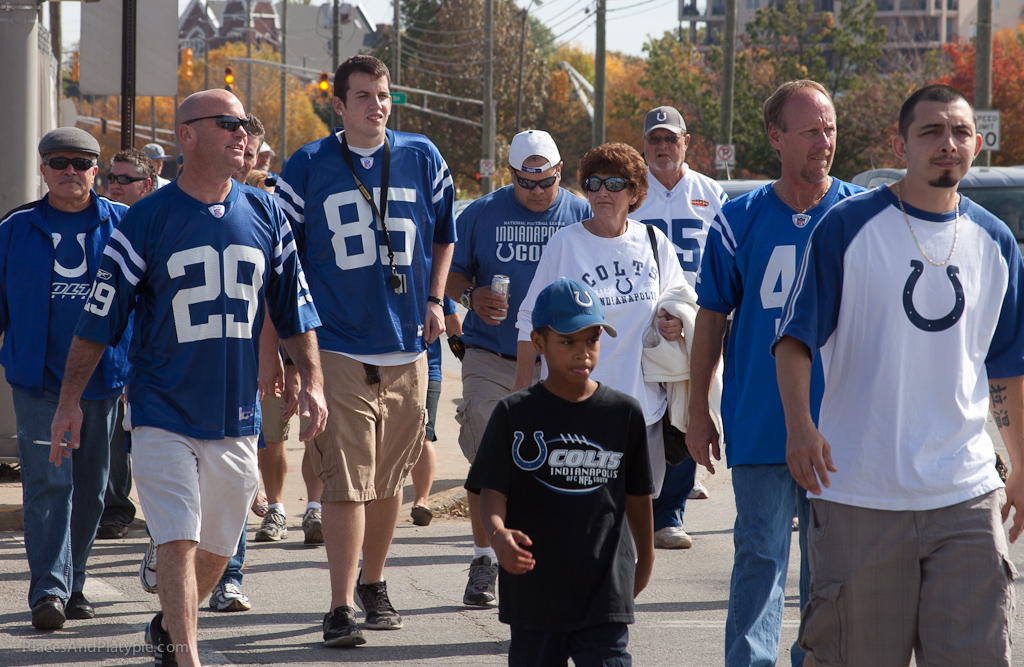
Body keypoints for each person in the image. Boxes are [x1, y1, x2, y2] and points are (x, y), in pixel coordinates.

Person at [49, 89, 327, 667]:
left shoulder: (267, 213)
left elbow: (295, 309)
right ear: (188, 135)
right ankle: (185, 655)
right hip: (161, 406)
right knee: (177, 538)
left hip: (235, 415)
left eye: (246, 123)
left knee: (218, 550)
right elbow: (99, 318)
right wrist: (69, 401)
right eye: (228, 123)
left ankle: (167, 622)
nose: (242, 133)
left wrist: (315, 381)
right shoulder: (147, 218)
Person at [774, 84, 1023, 666]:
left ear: (977, 144)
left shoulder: (997, 242)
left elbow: (1008, 369)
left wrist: (1020, 464)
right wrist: (800, 427)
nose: (947, 144)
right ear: (901, 143)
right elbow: (792, 342)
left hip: (965, 493)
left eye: (960, 132)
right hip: (861, 491)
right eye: (931, 131)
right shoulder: (846, 227)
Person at [274, 54, 456, 648]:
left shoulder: (422, 155)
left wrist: (434, 297)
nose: (376, 105)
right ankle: (339, 603)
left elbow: (443, 233)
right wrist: (293, 354)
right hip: (339, 345)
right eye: (363, 96)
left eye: (383, 95)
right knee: (346, 480)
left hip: (407, 345)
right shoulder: (307, 165)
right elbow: (285, 260)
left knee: (385, 482)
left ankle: (373, 583)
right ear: (339, 103)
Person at [685, 80, 863, 667]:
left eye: (830, 127)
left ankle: (817, 659)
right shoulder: (739, 220)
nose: (824, 140)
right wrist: (696, 410)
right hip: (760, 422)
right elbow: (710, 319)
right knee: (760, 555)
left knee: (829, 567)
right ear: (776, 137)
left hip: (841, 427)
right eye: (810, 129)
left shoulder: (859, 216)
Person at [467, 277, 655, 666]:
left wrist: (646, 557)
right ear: (538, 342)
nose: (582, 353)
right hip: (535, 597)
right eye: (567, 342)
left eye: (592, 340)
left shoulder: (624, 413)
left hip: (604, 593)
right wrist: (498, 535)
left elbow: (637, 497)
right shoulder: (513, 413)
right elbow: (490, 491)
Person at [445, 128, 591, 606]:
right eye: (525, 183)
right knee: (491, 453)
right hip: (492, 352)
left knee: (558, 460)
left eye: (544, 182)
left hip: (558, 359)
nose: (535, 192)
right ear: (510, 175)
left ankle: (547, 557)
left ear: (559, 173)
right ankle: (484, 559)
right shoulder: (483, 212)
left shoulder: (580, 212)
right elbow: (447, 269)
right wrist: (471, 295)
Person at [0, 128, 131, 630]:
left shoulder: (123, 225)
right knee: (48, 482)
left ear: (97, 170)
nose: (70, 171)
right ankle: (49, 591)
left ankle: (74, 581)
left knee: (92, 487)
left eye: (81, 162)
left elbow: (143, 303)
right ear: (43, 168)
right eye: (59, 162)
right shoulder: (15, 229)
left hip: (102, 382)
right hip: (37, 384)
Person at [514, 143, 686, 507]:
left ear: (635, 192)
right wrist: (519, 396)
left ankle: (634, 567)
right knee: (584, 512)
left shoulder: (653, 242)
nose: (601, 192)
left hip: (643, 409)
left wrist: (675, 322)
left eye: (613, 184)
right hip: (578, 409)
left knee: (637, 511)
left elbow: (681, 303)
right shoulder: (566, 243)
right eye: (593, 184)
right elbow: (530, 318)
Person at [633, 105, 728, 550]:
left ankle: (669, 513)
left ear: (686, 143)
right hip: (641, 317)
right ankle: (635, 506)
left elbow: (728, 259)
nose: (663, 147)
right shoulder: (634, 191)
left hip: (697, 319)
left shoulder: (710, 192)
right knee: (643, 413)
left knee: (688, 407)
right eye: (655, 139)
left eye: (671, 139)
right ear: (645, 146)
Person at [95, 147, 157, 542]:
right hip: (111, 351)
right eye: (111, 178)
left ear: (146, 186)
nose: (115, 186)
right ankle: (115, 508)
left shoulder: (157, 224)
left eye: (125, 179)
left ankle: (162, 522)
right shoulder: (102, 225)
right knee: (114, 438)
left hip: (151, 353)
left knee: (151, 443)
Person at [409, 297, 462, 526]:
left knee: (424, 434)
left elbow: (452, 324)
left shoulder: (434, 278)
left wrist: (468, 361)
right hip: (383, 365)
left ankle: (421, 501)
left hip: (428, 370)